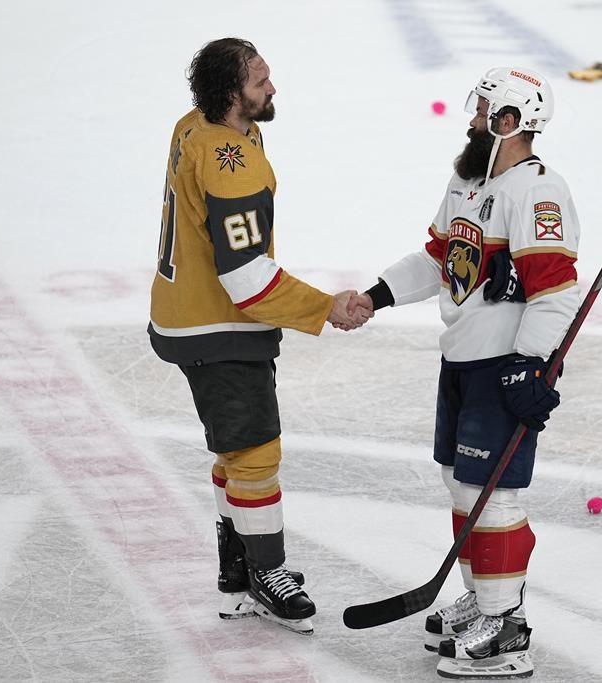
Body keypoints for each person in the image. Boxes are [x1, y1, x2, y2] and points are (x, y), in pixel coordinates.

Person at [356, 67, 579, 678]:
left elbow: (555, 290)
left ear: (509, 122)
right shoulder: (467, 182)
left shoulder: (538, 192)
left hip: (501, 366)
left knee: (496, 495)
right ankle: (484, 600)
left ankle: (507, 628)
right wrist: (376, 296)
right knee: (463, 484)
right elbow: (440, 258)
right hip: (459, 357)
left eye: (482, 111)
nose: (472, 119)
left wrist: (529, 366)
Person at [148, 37, 371, 635]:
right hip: (218, 326)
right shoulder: (233, 162)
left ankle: (235, 567)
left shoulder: (192, 125)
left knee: (234, 449)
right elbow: (247, 278)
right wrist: (326, 308)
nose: (272, 89)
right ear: (230, 94)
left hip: (183, 312)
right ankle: (266, 577)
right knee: (256, 455)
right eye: (260, 82)